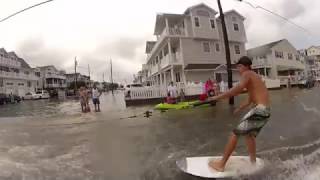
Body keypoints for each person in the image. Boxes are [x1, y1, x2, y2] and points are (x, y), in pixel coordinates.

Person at [207, 56, 270, 172]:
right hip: (265, 111)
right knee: (249, 135)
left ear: (246, 66)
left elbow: (237, 89)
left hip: (260, 110)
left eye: (240, 66)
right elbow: (250, 99)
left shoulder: (247, 74)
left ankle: (221, 164)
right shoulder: (255, 77)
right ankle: (253, 163)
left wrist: (217, 97)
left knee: (234, 134)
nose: (239, 69)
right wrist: (240, 108)